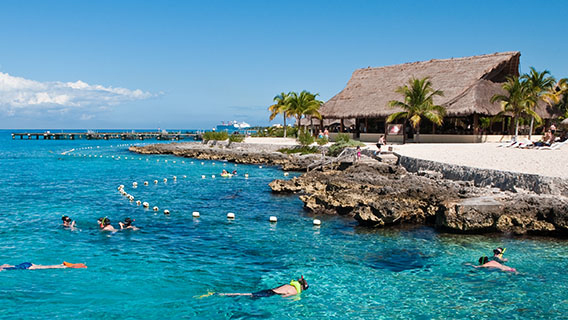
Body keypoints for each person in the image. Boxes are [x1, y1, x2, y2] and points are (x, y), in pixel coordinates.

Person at [213, 276, 308, 298]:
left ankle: (222, 294)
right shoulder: (295, 292)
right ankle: (223, 294)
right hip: (270, 294)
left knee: (248, 294)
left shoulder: (290, 286)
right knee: (248, 295)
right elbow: (283, 297)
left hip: (269, 292)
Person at [0, 261, 87, 271]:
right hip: (26, 263)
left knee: (49, 267)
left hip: (27, 267)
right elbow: (6, 264)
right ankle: (63, 265)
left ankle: (65, 266)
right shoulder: (2, 265)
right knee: (45, 265)